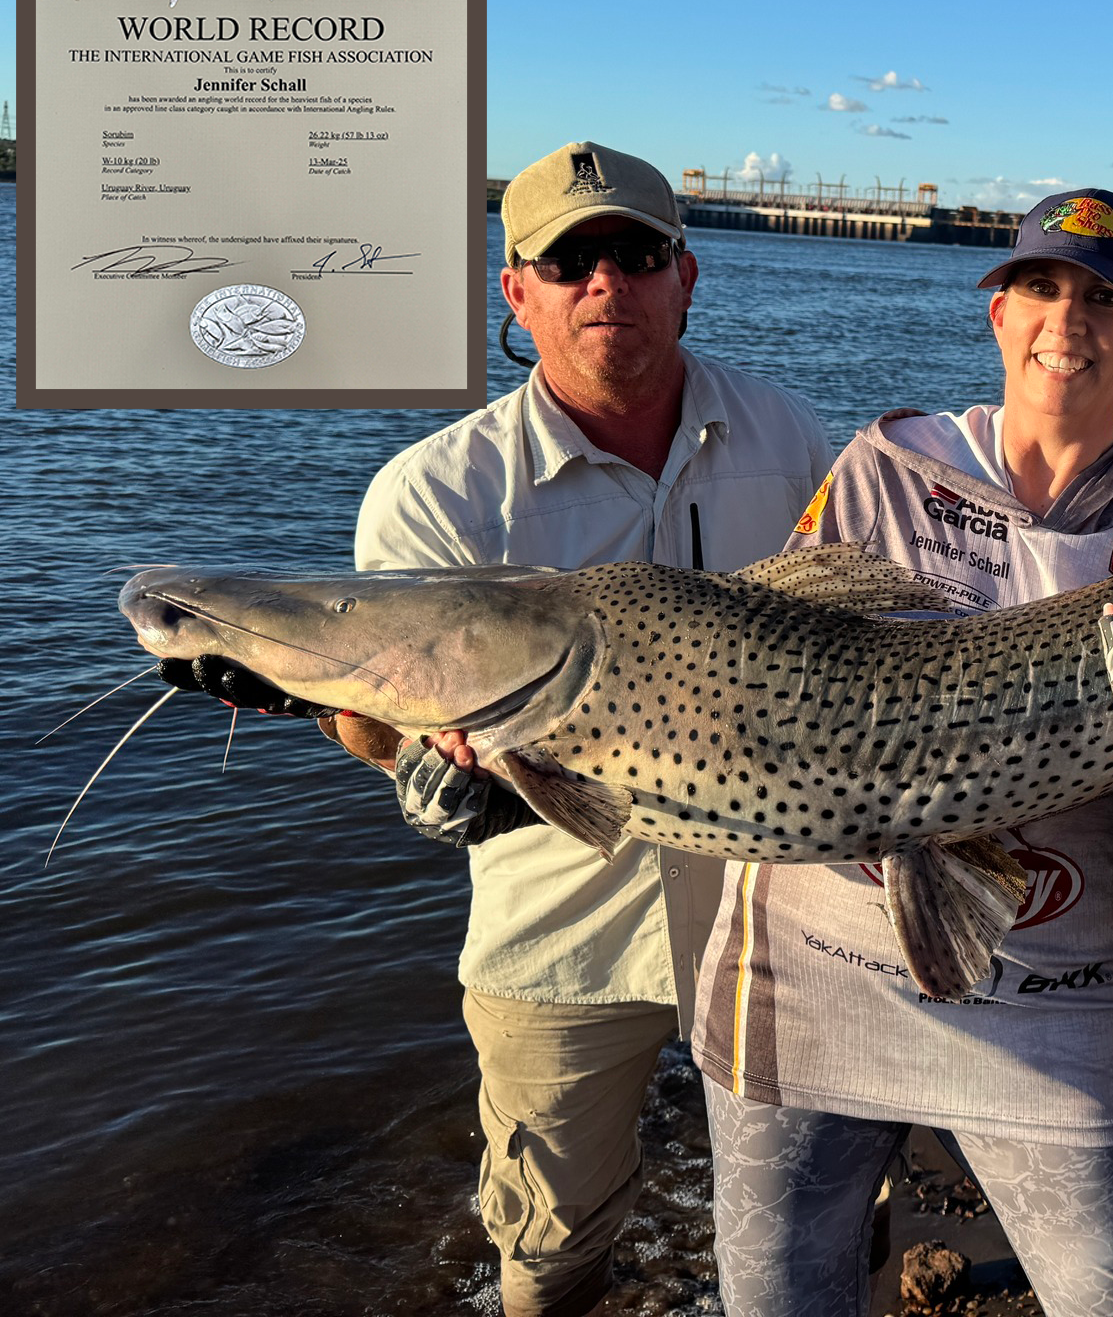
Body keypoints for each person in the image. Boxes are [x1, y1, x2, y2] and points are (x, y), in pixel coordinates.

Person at [178, 140, 833, 1317]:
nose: (605, 283)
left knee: (810, 1210)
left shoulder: (792, 438)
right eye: (568, 258)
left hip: (784, 910)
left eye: (635, 252)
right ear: (514, 290)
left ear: (685, 276)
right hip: (561, 930)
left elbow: (857, 631)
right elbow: (379, 713)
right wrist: (408, 764)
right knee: (550, 1233)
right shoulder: (435, 493)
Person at [690, 189, 1113, 1316]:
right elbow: (758, 698)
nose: (1068, 318)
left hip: (1054, 1001)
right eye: (1038, 288)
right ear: (997, 317)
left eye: (1106, 299)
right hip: (807, 981)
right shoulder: (882, 467)